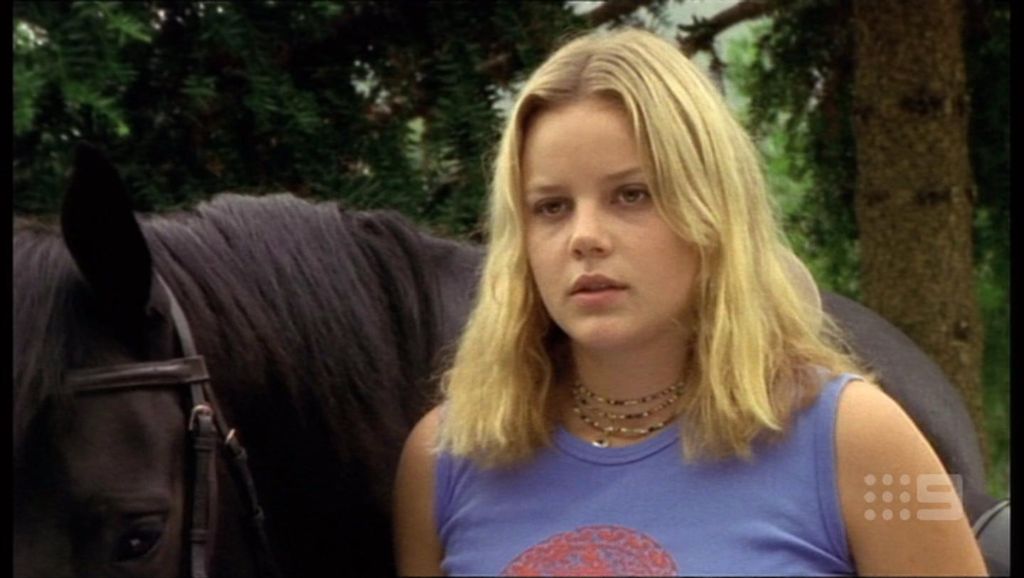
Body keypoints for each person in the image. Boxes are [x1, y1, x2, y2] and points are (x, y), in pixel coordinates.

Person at [394, 28, 986, 576]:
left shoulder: (862, 437)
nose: (584, 236)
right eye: (551, 207)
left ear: (713, 213)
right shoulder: (443, 459)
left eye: (632, 195)